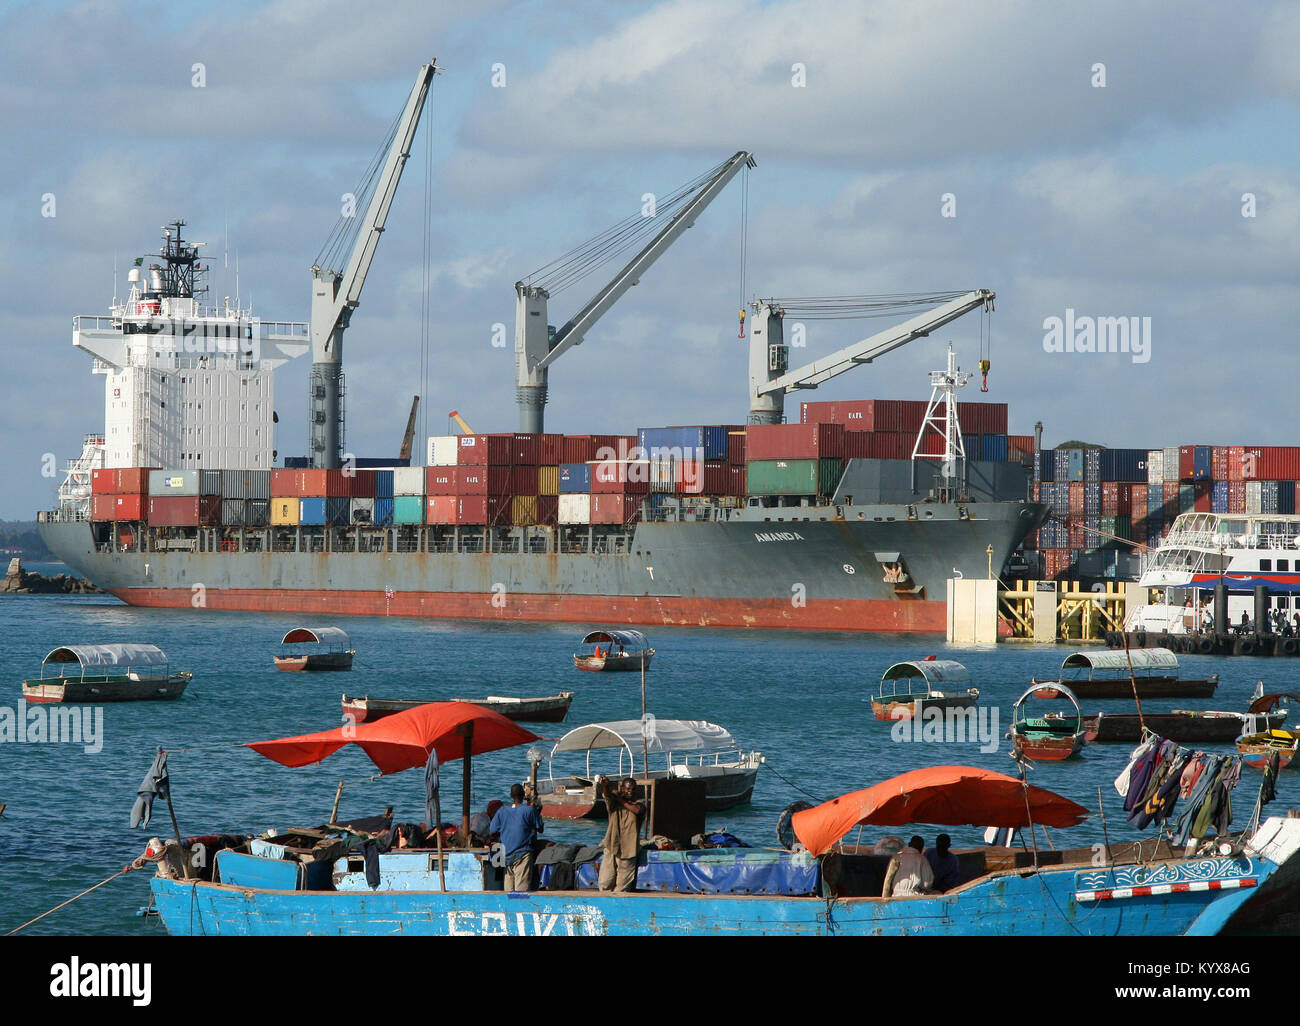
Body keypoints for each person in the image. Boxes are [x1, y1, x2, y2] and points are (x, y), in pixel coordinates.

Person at [490, 784, 543, 892]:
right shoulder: (529, 811)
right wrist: (537, 811)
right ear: (523, 795)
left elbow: (492, 831)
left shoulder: (502, 811)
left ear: (510, 795)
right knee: (521, 892)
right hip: (523, 854)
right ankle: (520, 908)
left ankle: (509, 908)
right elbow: (540, 828)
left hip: (506, 855)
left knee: (508, 890)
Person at [598, 777, 643, 892]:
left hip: (629, 851)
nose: (630, 792)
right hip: (612, 846)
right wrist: (605, 785)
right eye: (628, 789)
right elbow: (607, 795)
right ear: (622, 789)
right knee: (604, 883)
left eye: (633, 789)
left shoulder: (640, 804)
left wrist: (619, 798)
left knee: (622, 887)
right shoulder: (614, 804)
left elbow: (637, 810)